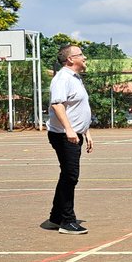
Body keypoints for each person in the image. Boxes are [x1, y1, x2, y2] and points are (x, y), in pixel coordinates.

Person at [42, 43, 93, 234]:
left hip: (73, 134)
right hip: (63, 136)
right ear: (70, 59)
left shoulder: (75, 78)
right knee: (70, 176)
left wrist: (85, 131)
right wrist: (70, 130)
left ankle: (56, 217)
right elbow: (57, 105)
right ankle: (67, 221)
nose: (84, 57)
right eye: (81, 55)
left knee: (67, 176)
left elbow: (77, 108)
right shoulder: (62, 78)